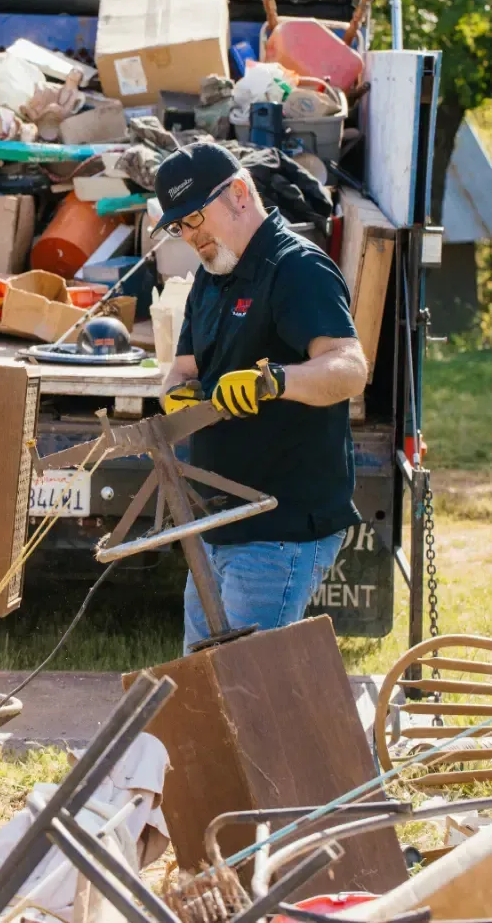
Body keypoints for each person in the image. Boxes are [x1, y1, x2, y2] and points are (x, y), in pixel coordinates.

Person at [154, 141, 367, 652]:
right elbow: (181, 371)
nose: (193, 238)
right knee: (206, 682)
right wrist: (178, 397)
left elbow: (350, 367)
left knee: (246, 687)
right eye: (180, 228)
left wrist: (273, 382)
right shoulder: (211, 278)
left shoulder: (297, 268)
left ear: (240, 194)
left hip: (281, 523)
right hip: (219, 521)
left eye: (198, 220)